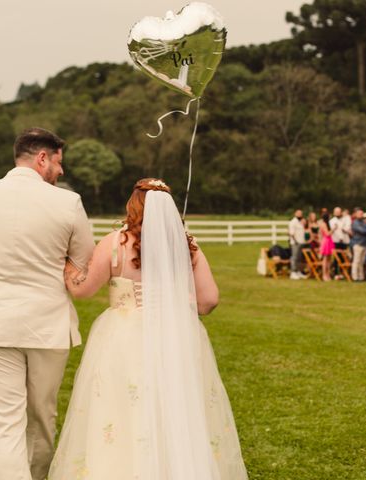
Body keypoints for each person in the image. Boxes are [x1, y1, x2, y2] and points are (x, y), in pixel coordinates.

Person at [49, 179, 248, 479]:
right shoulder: (187, 246)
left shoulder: (115, 243)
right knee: (175, 406)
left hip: (123, 337)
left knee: (122, 410)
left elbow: (82, 290)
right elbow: (208, 301)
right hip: (176, 337)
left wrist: (66, 264)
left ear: (133, 206)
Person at [0, 128, 96, 480]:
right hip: (48, 325)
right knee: (42, 415)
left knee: (4, 422)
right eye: (59, 163)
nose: (61, 172)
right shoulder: (67, 202)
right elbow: (83, 262)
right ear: (42, 158)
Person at [350, 208, 366, 282]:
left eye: (361, 213)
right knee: (356, 261)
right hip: (358, 243)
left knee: (362, 262)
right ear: (356, 214)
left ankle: (360, 277)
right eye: (359, 213)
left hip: (365, 244)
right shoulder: (355, 223)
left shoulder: (364, 223)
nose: (361, 215)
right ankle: (355, 277)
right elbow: (362, 231)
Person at [288, 209, 307, 280]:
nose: (300, 215)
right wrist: (296, 241)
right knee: (294, 257)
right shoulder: (293, 222)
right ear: (295, 214)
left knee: (299, 258)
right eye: (298, 213)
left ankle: (298, 271)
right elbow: (291, 233)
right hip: (295, 243)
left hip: (301, 242)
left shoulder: (301, 222)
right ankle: (293, 272)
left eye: (301, 214)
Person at [318, 211, 334, 281]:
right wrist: (334, 229)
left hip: (329, 241)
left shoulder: (327, 224)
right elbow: (327, 234)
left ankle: (328, 274)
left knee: (329, 259)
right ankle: (324, 275)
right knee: (325, 259)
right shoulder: (323, 224)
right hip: (326, 241)